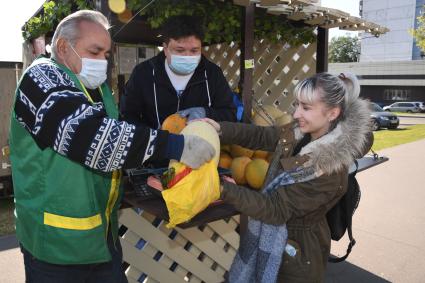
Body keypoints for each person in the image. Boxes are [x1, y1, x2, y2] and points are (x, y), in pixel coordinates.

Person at [9, 10, 215, 283]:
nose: (102, 61)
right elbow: (93, 138)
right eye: (94, 51)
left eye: (106, 54)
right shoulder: (40, 80)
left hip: (102, 241)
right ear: (62, 47)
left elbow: (120, 135)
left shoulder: (97, 88)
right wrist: (175, 145)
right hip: (55, 248)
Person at [202, 72, 372, 282]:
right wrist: (221, 129)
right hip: (277, 240)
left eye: (306, 108)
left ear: (332, 113)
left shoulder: (328, 170)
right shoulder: (300, 133)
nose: (296, 113)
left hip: (296, 257)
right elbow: (262, 136)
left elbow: (275, 209)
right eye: (297, 104)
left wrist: (220, 188)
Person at [120, 15, 236, 129]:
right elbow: (127, 115)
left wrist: (205, 112)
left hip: (200, 145)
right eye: (180, 50)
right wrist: (153, 137)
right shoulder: (143, 73)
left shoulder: (212, 74)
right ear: (165, 49)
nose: (187, 56)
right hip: (156, 146)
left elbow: (230, 114)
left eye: (194, 50)